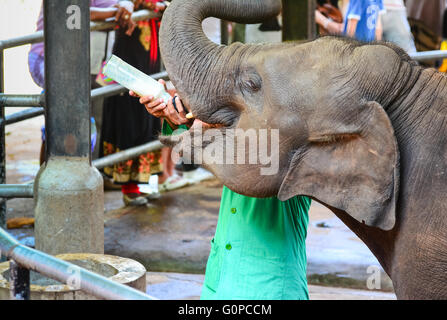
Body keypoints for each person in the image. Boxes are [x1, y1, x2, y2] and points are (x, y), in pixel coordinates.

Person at [131, 82, 312, 300]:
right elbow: (195, 147)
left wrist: (204, 126)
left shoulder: (291, 146)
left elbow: (254, 158)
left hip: (268, 289)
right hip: (219, 284)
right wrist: (173, 114)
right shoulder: (235, 140)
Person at [100, 0, 188, 206]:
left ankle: (141, 183)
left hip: (149, 59)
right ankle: (129, 188)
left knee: (147, 119)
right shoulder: (128, 7)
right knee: (129, 120)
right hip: (131, 61)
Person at [28, 0, 136, 165]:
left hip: (89, 60)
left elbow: (119, 3)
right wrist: (116, 13)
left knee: (89, 120)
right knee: (61, 122)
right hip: (53, 57)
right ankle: (48, 175)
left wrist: (126, 6)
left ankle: (86, 172)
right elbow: (77, 13)